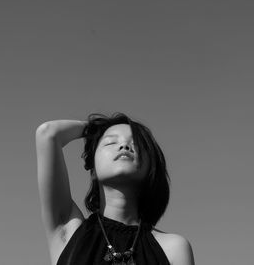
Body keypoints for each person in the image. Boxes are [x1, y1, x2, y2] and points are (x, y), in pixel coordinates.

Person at [35, 113, 195, 265]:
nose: (124, 146)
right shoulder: (69, 230)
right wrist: (95, 127)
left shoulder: (173, 248)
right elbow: (48, 133)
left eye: (136, 144)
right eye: (111, 142)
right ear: (93, 168)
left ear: (151, 167)